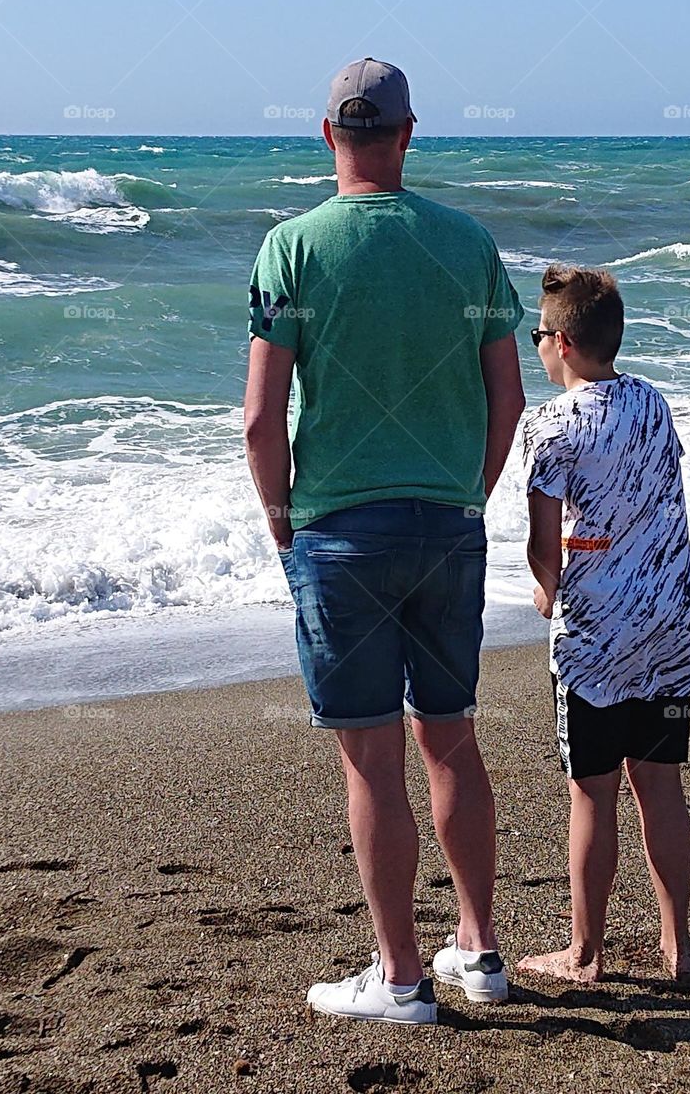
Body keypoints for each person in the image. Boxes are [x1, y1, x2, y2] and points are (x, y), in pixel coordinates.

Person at [244, 59, 525, 1025]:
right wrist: (468, 496)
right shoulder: (468, 242)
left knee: (370, 756)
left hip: (341, 531)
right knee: (450, 734)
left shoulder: (292, 248)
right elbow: (509, 396)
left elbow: (259, 418)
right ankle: (481, 951)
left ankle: (401, 975)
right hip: (445, 522)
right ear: (409, 134)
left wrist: (286, 523)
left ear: (327, 136)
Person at [516, 264, 690, 985]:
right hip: (666, 624)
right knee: (660, 784)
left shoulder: (551, 423)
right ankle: (679, 948)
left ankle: (586, 953)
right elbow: (660, 500)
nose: (535, 345)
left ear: (561, 342)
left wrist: (546, 587)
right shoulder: (653, 402)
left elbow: (542, 538)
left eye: (538, 334)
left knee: (591, 791)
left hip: (597, 636)